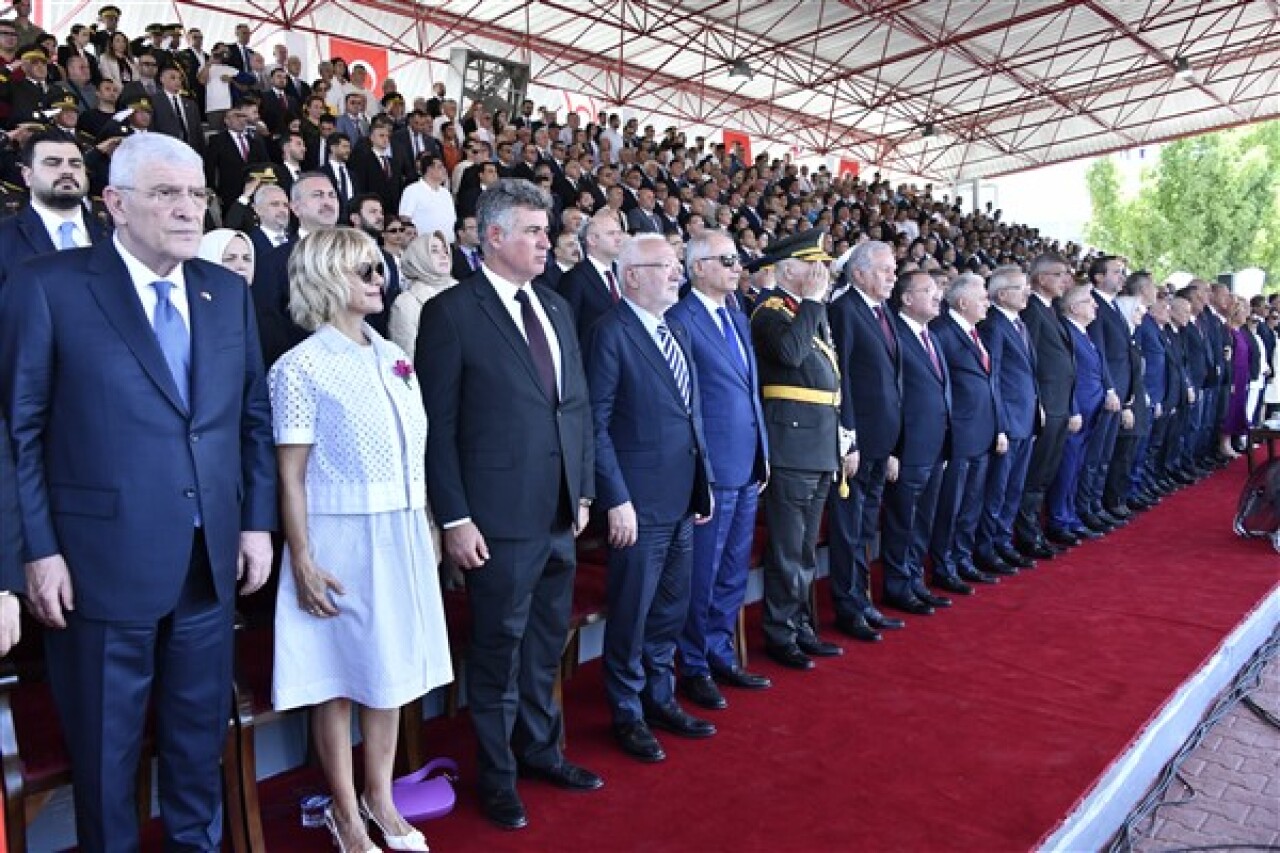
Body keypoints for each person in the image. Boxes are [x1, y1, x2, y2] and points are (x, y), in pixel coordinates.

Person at [0, 132, 276, 849]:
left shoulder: (226, 293)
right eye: (165, 193)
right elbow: (18, 431)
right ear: (115, 203)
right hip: (95, 567)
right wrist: (36, 551)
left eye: (196, 194)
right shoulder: (47, 284)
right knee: (105, 756)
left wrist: (256, 523)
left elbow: (251, 418)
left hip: (209, 564)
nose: (187, 209)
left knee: (197, 744)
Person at [417, 179, 601, 831]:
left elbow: (576, 406)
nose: (547, 242)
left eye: (547, 230)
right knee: (497, 650)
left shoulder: (554, 306)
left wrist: (583, 488)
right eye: (533, 231)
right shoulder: (451, 312)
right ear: (493, 236)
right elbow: (437, 427)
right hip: (493, 520)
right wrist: (455, 517)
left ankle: (540, 751)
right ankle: (496, 777)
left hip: (559, 513)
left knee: (545, 645)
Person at [268, 226, 451, 852]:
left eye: (378, 268)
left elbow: (414, 454)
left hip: (401, 529)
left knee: (389, 670)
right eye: (363, 271)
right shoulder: (299, 366)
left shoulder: (393, 355)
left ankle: (381, 796)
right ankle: (345, 812)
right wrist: (302, 559)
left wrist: (427, 522)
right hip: (338, 537)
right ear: (326, 279)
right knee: (339, 676)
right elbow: (290, 476)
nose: (379, 279)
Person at [665, 229, 771, 711]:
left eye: (736, 260)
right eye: (726, 260)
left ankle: (720, 652)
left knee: (732, 571)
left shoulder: (736, 314)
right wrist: (700, 473)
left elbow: (750, 390)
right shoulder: (680, 318)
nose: (736, 268)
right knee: (702, 574)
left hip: (747, 463)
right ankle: (694, 665)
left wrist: (762, 453)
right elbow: (687, 404)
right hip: (712, 470)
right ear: (697, 268)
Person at [752, 230, 849, 667]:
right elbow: (790, 356)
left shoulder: (806, 310)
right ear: (788, 270)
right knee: (788, 548)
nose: (821, 272)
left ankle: (800, 624)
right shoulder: (770, 311)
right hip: (791, 444)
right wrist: (811, 302)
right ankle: (780, 631)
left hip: (818, 442)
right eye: (813, 265)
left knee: (806, 547)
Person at [826, 239, 905, 643]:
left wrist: (894, 446)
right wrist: (848, 440)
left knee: (865, 527)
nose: (893, 275)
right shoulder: (844, 310)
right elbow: (841, 379)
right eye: (884, 269)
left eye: (893, 268)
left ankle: (862, 599)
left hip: (882, 440)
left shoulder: (882, 310)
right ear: (858, 273)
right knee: (848, 528)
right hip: (856, 443)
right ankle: (848, 606)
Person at [928, 272, 1005, 596]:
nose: (988, 302)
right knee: (951, 505)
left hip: (982, 431)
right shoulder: (942, 332)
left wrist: (998, 426)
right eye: (982, 297)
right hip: (958, 434)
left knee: (971, 503)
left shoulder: (976, 333)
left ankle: (963, 558)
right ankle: (943, 565)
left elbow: (990, 382)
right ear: (962, 302)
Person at [976, 265, 1043, 568]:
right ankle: (987, 547)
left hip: (1026, 419)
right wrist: (1000, 425)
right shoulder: (993, 325)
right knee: (998, 490)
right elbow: (994, 378)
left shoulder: (1020, 324)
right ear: (1002, 295)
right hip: (1009, 421)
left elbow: (1028, 373)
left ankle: (1003, 541)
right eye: (1020, 287)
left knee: (1014, 488)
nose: (1027, 291)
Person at [1018, 253, 1079, 552]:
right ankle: (1027, 535)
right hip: (1045, 405)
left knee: (1046, 472)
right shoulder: (1032, 310)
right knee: (1035, 473)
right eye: (1059, 274)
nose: (1065, 280)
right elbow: (1027, 361)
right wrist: (1038, 403)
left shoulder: (1050, 310)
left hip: (1059, 404)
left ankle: (1035, 530)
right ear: (1041, 279)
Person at [0, 132, 110, 293]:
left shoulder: (114, 236)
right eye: (53, 163)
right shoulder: (4, 238)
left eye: (75, 164)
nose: (67, 171)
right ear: (27, 175)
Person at [1046, 285, 1106, 543]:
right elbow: (1068, 376)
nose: (1095, 305)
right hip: (1077, 411)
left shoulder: (1084, 332)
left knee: (1077, 467)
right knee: (1067, 468)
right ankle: (1060, 518)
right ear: (1073, 308)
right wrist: (1073, 409)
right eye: (1088, 301)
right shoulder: (1068, 332)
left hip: (1091, 410)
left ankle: (1070, 515)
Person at [389, 230, 455, 356]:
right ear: (419, 257)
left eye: (445, 251)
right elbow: (407, 355)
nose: (443, 256)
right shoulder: (406, 303)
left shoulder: (461, 290)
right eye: (434, 251)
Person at [1221, 297, 1253, 457]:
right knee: (1230, 410)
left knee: (1238, 408)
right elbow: (1229, 358)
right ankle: (1224, 443)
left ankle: (1233, 440)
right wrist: (1231, 380)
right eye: (1244, 311)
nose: (1247, 314)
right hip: (1234, 375)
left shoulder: (1241, 332)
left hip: (1242, 376)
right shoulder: (1229, 331)